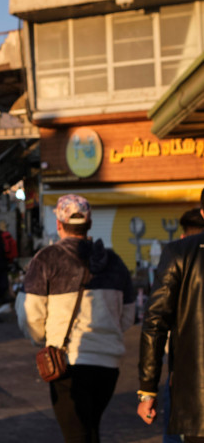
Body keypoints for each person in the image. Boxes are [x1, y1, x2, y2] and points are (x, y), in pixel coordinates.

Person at [17, 194, 135, 443]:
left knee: (76, 435)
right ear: (89, 224)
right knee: (90, 429)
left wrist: (44, 340)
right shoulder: (114, 261)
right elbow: (128, 315)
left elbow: (29, 312)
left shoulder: (46, 259)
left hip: (67, 362)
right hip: (108, 363)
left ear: (59, 224)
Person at [138, 190, 204, 442]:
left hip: (196, 398)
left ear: (202, 213)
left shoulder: (180, 252)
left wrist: (147, 390)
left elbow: (155, 323)